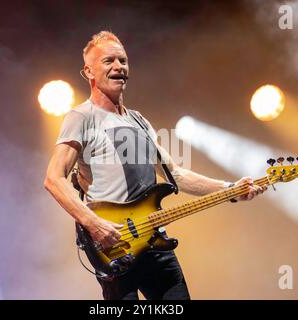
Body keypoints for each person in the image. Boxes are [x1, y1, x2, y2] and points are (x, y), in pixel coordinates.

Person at [44, 31, 267, 300]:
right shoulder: (81, 117)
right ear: (88, 72)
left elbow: (177, 175)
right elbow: (54, 179)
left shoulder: (139, 120)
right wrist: (94, 224)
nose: (118, 67)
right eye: (108, 61)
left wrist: (230, 189)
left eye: (123, 61)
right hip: (115, 247)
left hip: (155, 243)